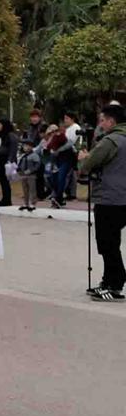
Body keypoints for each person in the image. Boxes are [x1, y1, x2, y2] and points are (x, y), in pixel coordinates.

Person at [78, 104, 126, 302]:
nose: (101, 124)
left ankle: (114, 285)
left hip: (109, 198)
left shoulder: (112, 140)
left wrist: (83, 158)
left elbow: (88, 165)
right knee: (111, 242)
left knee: (107, 243)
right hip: (121, 197)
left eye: (102, 120)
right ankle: (108, 281)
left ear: (111, 121)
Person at [0, 120, 18, 206]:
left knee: (5, 180)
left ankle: (7, 199)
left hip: (5, 160)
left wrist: (10, 161)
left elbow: (13, 149)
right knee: (1, 180)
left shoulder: (10, 136)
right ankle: (4, 198)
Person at [16, 139, 42, 212]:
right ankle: (26, 203)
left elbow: (37, 165)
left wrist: (30, 170)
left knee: (32, 189)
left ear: (31, 147)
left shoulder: (34, 155)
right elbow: (20, 163)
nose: (25, 147)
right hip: (23, 175)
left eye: (27, 146)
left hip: (31, 175)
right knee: (25, 190)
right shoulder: (23, 155)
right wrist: (18, 169)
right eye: (24, 146)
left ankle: (32, 203)